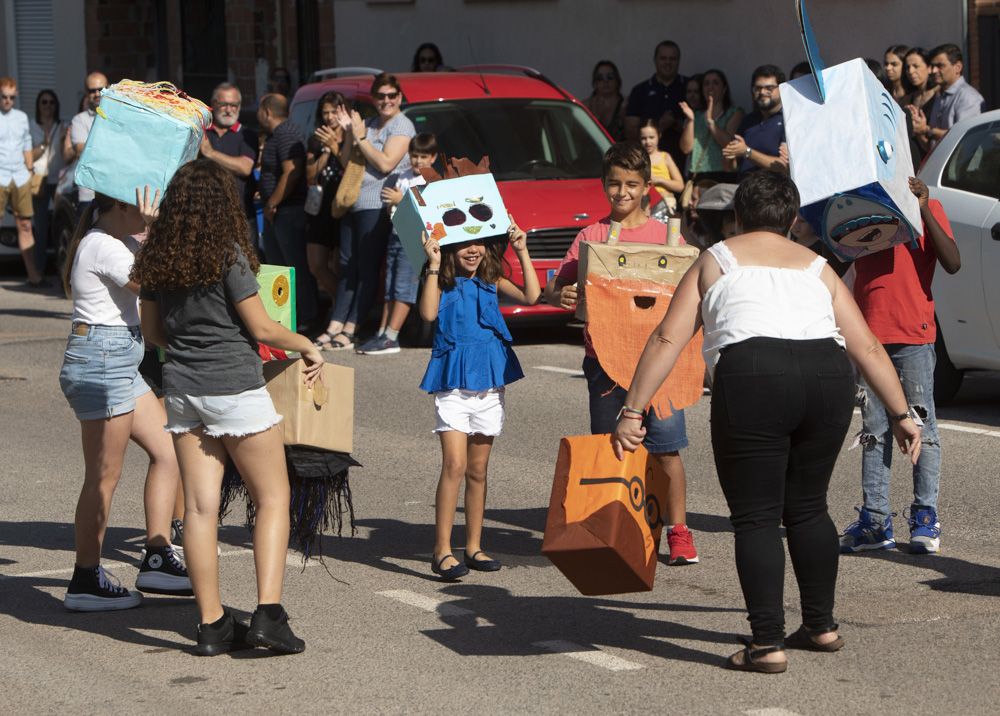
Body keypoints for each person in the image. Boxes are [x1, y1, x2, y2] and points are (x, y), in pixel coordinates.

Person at [612, 170, 921, 673]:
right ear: (794, 218)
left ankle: (766, 642)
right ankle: (821, 625)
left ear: (737, 217)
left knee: (756, 515)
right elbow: (865, 344)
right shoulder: (818, 265)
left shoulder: (716, 259)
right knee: (808, 506)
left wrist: (632, 410)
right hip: (825, 377)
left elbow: (669, 338)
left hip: (753, 374)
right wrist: (902, 414)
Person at [133, 159, 324, 656]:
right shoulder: (230, 254)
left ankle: (212, 623)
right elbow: (261, 328)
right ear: (223, 205)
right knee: (273, 498)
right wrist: (306, 343)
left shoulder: (158, 256)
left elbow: (153, 335)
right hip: (234, 388)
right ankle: (268, 614)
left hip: (181, 389)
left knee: (199, 509)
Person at [545, 141, 700, 566]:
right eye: (613, 184)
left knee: (668, 450)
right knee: (611, 447)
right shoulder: (590, 236)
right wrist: (564, 293)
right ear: (603, 185)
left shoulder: (669, 237)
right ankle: (613, 526)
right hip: (605, 363)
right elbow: (557, 288)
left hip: (661, 367)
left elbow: (691, 292)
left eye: (631, 184)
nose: (622, 192)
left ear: (648, 187)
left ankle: (678, 531)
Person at [59, 187, 191, 612]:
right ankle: (85, 579)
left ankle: (156, 554)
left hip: (118, 360)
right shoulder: (101, 245)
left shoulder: (119, 241)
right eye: (144, 206)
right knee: (103, 476)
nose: (151, 212)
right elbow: (152, 282)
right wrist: (155, 227)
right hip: (101, 361)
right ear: (119, 206)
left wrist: (151, 229)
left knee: (168, 450)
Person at [839, 177, 960, 556]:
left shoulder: (926, 205)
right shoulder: (856, 208)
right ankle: (875, 520)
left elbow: (953, 262)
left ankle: (925, 516)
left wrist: (922, 206)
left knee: (923, 428)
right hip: (869, 336)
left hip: (913, 334)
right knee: (874, 430)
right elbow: (836, 257)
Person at [419, 218, 540, 579]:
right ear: (449, 248)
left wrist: (522, 250)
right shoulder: (439, 281)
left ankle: (473, 546)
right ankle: (442, 549)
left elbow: (533, 296)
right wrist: (434, 264)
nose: (472, 250)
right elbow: (427, 314)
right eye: (463, 245)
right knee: (454, 465)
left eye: (479, 243)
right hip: (453, 384)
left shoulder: (491, 280)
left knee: (478, 470)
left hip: (489, 383)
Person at [326, 73, 416, 350]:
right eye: (380, 96)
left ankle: (352, 327)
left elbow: (387, 163)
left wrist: (360, 137)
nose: (386, 101)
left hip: (378, 204)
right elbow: (350, 163)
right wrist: (344, 139)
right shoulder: (370, 124)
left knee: (366, 268)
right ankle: (334, 324)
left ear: (399, 97)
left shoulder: (402, 126)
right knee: (347, 265)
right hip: (354, 201)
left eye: (391, 96)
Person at [357, 132, 439, 355]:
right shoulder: (403, 176)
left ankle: (392, 337)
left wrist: (400, 200)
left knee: (404, 286)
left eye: (423, 156)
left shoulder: (430, 179)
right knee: (391, 286)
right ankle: (383, 332)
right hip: (396, 233)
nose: (418, 161)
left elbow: (428, 210)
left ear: (433, 157)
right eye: (414, 156)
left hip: (414, 237)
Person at [257, 93, 318, 329]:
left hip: (288, 211)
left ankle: (308, 316)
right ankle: (286, 315)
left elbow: (291, 171)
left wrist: (273, 202)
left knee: (295, 267)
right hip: (278, 211)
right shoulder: (278, 134)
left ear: (267, 112)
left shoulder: (286, 133)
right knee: (278, 267)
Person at [306, 91, 349, 348]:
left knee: (341, 266)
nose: (330, 117)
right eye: (325, 112)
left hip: (343, 207)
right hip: (319, 208)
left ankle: (340, 315)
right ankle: (340, 307)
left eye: (334, 111)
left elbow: (353, 170)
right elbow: (310, 174)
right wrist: (324, 151)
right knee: (317, 265)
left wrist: (336, 147)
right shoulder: (315, 139)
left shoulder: (350, 136)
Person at [0, 76, 45, 285]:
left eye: (11, 97)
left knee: (25, 224)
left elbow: (27, 143)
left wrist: (28, 169)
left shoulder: (21, 117)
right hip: (0, 175)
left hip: (19, 175)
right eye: (3, 97)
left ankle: (33, 274)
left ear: (16, 96)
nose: (7, 101)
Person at [200, 82, 259, 236]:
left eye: (234, 105)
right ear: (213, 104)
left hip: (240, 215)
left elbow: (245, 168)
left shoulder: (247, 135)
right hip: (205, 215)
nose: (229, 110)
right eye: (224, 104)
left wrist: (210, 153)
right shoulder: (201, 132)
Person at [625, 41, 688, 165]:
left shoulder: (689, 87)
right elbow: (630, 132)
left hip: (685, 162)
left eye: (672, 59)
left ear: (679, 61)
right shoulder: (640, 90)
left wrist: (677, 124)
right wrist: (659, 126)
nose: (668, 62)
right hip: (649, 163)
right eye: (663, 58)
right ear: (655, 60)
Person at [914, 43, 985, 151]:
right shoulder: (940, 96)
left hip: (963, 167)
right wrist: (919, 131)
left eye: (940, 66)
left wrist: (928, 130)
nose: (933, 71)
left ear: (958, 67)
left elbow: (964, 137)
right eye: (932, 66)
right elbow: (932, 147)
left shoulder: (969, 97)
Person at [723, 65, 788, 177]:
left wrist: (747, 152)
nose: (762, 92)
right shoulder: (748, 121)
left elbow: (782, 166)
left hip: (773, 190)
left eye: (769, 88)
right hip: (743, 188)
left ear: (782, 89)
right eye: (757, 88)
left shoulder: (789, 121)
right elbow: (732, 168)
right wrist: (730, 157)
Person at [679, 69, 743, 180]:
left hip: (723, 175)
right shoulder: (696, 115)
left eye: (715, 83)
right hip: (698, 175)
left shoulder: (735, 112)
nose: (710, 87)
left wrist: (710, 122)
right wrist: (690, 120)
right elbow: (686, 149)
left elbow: (729, 144)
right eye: (706, 83)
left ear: (724, 89)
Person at [29, 88, 65, 275]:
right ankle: (38, 271)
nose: (48, 106)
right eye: (44, 102)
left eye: (51, 102)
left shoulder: (63, 125)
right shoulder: (31, 126)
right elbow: (28, 155)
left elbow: (66, 155)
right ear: (38, 105)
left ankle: (62, 271)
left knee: (60, 224)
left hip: (58, 179)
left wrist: (60, 140)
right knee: (40, 227)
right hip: (39, 180)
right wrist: (43, 144)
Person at [63, 72, 108, 210]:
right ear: (86, 93)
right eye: (92, 90)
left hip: (117, 192)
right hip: (89, 194)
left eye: (101, 89)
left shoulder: (120, 115)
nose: (97, 93)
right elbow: (82, 150)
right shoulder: (79, 120)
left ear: (109, 88)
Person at [638, 119, 684, 212]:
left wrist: (659, 180)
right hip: (643, 206)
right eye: (644, 138)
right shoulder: (637, 159)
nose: (648, 142)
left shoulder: (665, 157)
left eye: (651, 137)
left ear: (659, 136)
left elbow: (680, 186)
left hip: (665, 203)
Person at [585, 60, 626, 141]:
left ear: (617, 81)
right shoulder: (586, 107)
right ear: (595, 83)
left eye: (610, 77)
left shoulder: (626, 105)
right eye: (600, 78)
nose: (605, 81)